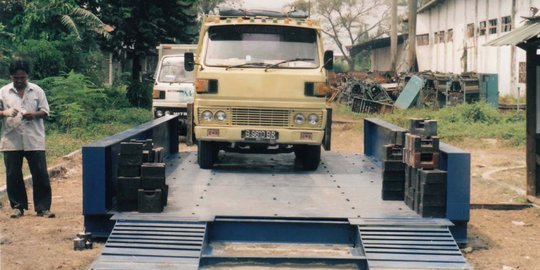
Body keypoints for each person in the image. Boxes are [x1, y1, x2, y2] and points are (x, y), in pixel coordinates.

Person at [0, 59, 55, 218]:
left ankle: (43, 207)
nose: (19, 81)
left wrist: (34, 115)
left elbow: (45, 111)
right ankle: (17, 207)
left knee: (40, 174)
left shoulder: (37, 91)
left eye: (22, 78)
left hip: (34, 139)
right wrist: (5, 113)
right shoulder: (3, 92)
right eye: (16, 78)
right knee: (13, 175)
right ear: (11, 76)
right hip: (11, 139)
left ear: (27, 76)